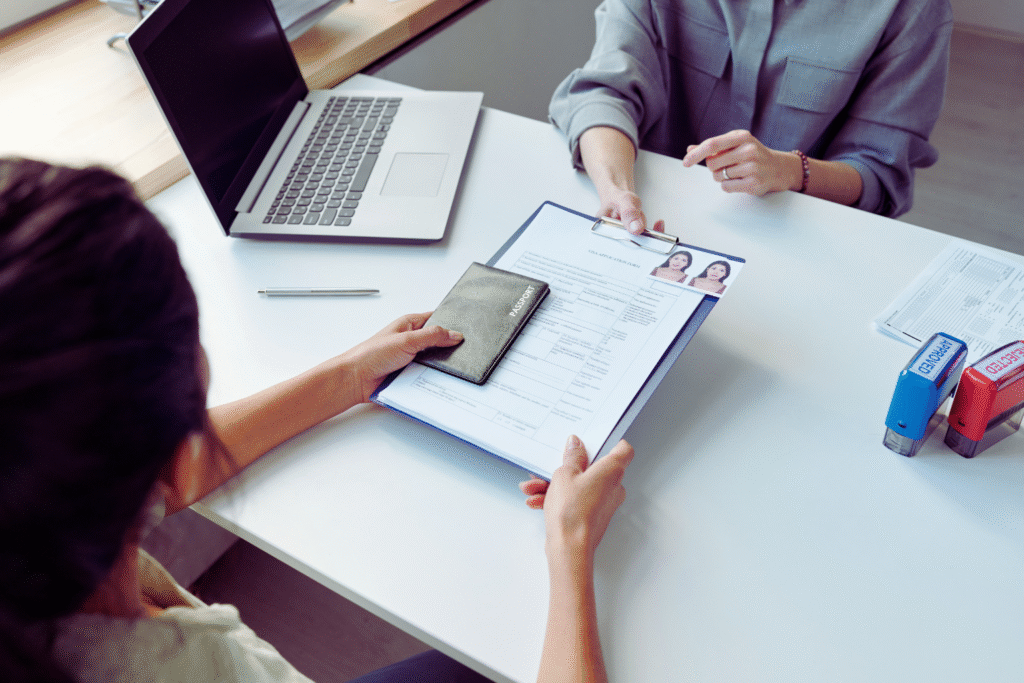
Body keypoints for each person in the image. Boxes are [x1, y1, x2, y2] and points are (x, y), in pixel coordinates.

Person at [0, 158, 634, 683]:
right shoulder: (184, 670)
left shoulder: (39, 538)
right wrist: (571, 545)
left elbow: (168, 477)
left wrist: (349, 375)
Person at [549, 0, 954, 234]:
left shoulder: (912, 9)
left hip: (800, 239)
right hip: (655, 215)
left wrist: (791, 171)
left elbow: (880, 177)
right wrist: (616, 192)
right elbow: (603, 93)